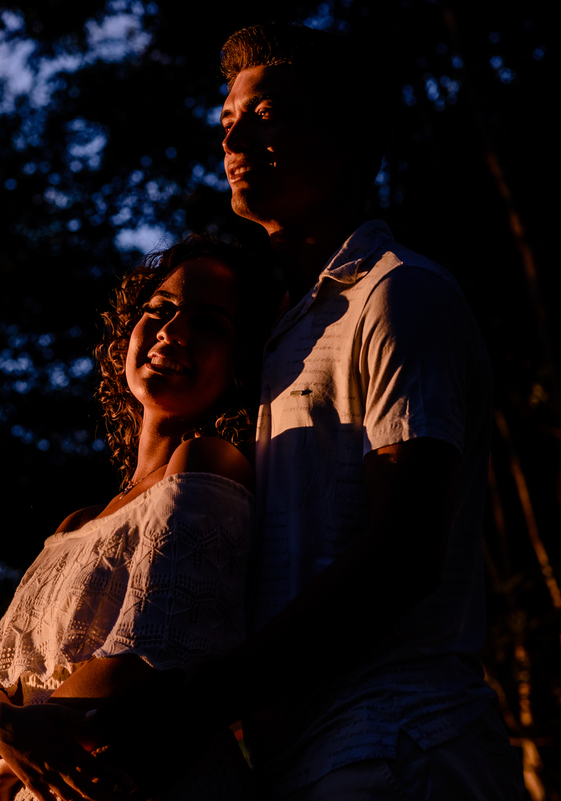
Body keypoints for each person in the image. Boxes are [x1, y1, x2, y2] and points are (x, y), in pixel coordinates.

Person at [186, 23, 526, 800]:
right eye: (226, 122)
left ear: (347, 137)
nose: (234, 134)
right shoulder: (279, 334)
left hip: (399, 736)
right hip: (306, 756)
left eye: (266, 113)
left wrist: (202, 698)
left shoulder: (398, 295)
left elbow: (402, 555)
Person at [0, 237, 269, 801]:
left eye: (210, 323)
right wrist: (4, 732)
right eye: (161, 311)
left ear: (242, 361)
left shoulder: (210, 464)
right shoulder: (77, 523)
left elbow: (137, 671)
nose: (173, 332)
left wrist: (9, 759)